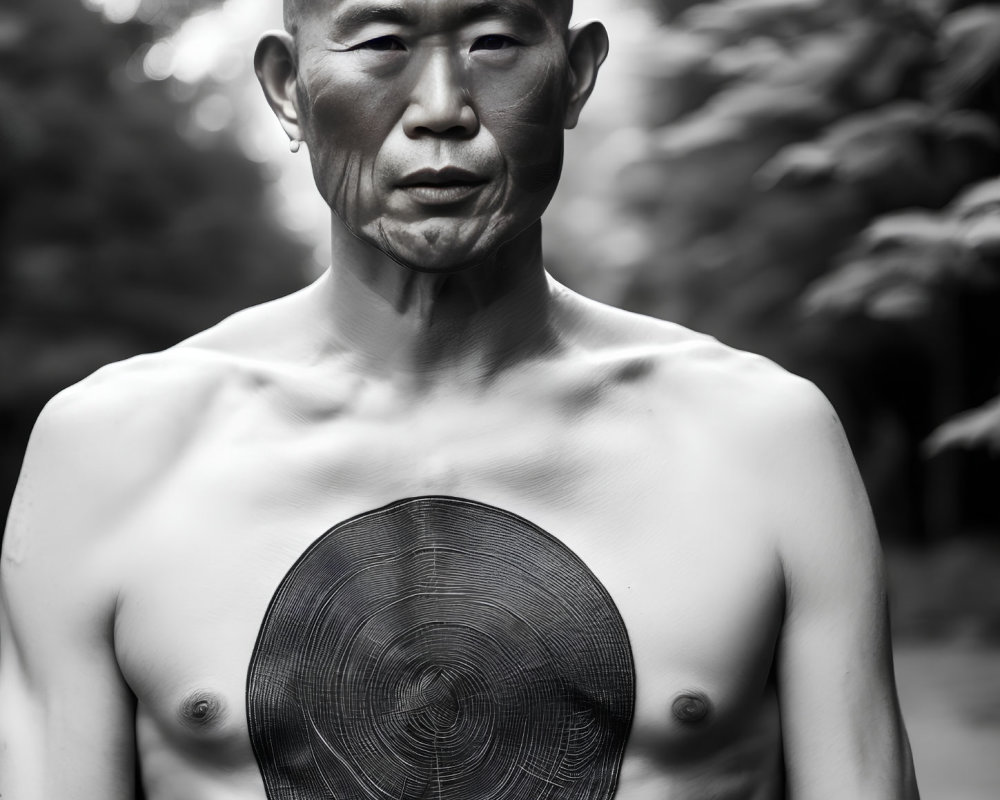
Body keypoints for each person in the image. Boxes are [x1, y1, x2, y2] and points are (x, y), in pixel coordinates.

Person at [0, 1, 920, 798]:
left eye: (492, 40)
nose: (442, 109)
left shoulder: (762, 443)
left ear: (576, 76)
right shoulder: (109, 456)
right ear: (287, 86)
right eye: (383, 42)